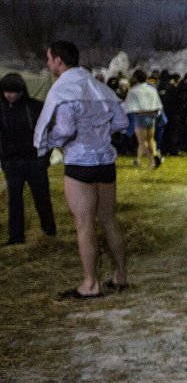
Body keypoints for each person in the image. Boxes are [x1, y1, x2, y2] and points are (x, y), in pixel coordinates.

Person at [34, 41, 129, 299]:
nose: (48, 63)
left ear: (59, 61)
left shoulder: (64, 89)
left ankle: (91, 283)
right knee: (109, 220)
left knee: (84, 224)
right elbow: (122, 120)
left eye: (49, 59)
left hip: (79, 163)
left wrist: (52, 141)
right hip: (105, 163)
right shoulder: (97, 86)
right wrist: (100, 135)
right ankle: (120, 274)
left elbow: (65, 129)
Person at [0, 73, 56, 245]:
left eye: (14, 92)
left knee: (42, 197)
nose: (10, 95)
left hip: (34, 160)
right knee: (14, 200)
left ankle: (49, 231)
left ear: (22, 91)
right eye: (7, 92)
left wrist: (44, 157)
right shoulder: (1, 109)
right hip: (12, 162)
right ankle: (16, 237)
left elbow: (49, 132)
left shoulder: (35, 108)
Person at [122, 69, 164, 168]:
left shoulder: (134, 91)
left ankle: (152, 160)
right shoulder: (152, 89)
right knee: (151, 139)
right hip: (152, 116)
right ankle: (152, 156)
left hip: (140, 116)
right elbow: (158, 104)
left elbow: (127, 106)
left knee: (142, 141)